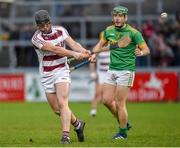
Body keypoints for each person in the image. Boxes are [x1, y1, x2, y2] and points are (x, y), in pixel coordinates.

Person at [89, 6, 150, 139]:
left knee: (119, 102)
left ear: (125, 18)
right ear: (112, 18)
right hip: (112, 70)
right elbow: (98, 46)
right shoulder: (108, 31)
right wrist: (94, 54)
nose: (117, 18)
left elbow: (146, 50)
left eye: (120, 16)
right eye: (115, 16)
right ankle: (124, 122)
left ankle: (122, 133)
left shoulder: (134, 33)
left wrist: (141, 52)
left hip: (126, 70)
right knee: (105, 100)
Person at [31, 10, 90, 144]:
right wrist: (74, 54)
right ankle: (78, 124)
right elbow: (55, 50)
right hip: (46, 74)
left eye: (46, 24)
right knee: (57, 109)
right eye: (41, 26)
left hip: (62, 70)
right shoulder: (36, 39)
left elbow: (73, 44)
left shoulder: (61, 30)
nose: (45, 28)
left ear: (50, 22)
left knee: (63, 102)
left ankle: (65, 136)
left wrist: (84, 51)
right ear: (37, 26)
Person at [89, 39, 110, 116]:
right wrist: (93, 73)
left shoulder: (112, 48)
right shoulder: (98, 49)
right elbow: (92, 61)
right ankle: (93, 110)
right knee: (98, 93)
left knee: (111, 95)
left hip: (110, 73)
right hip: (101, 73)